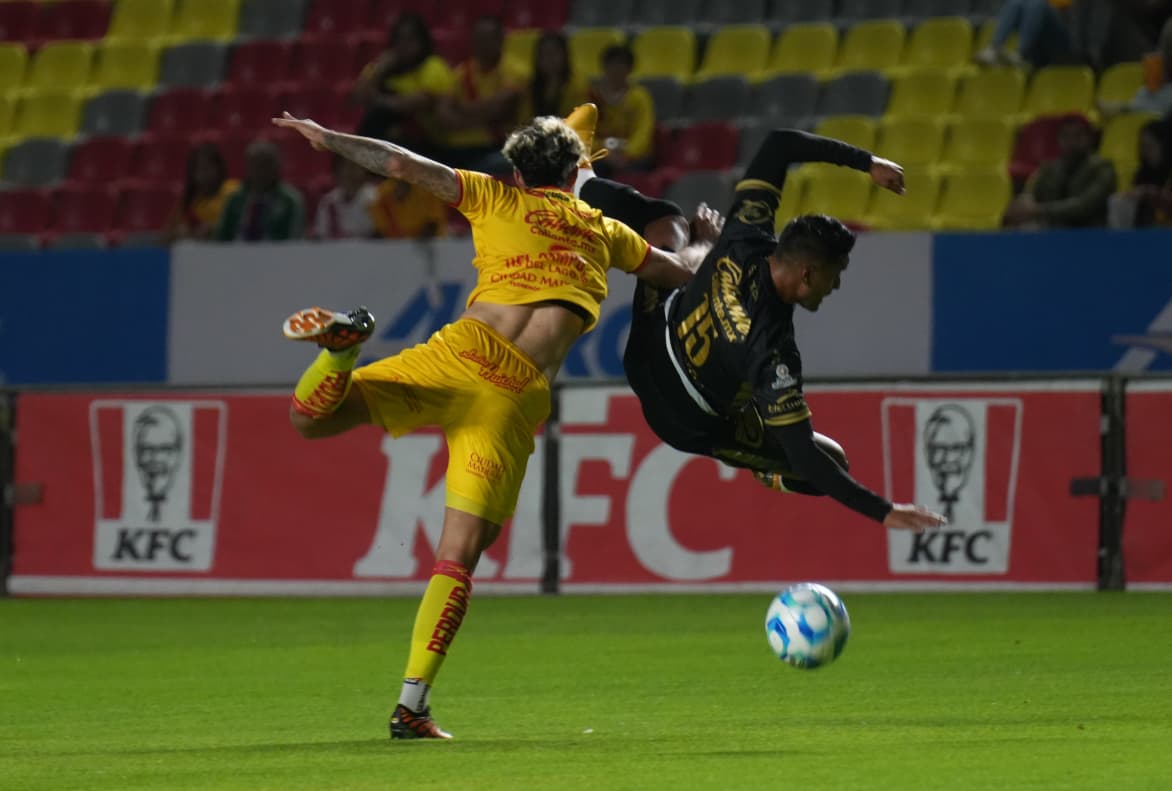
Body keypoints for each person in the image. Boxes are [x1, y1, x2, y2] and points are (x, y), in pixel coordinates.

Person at [271, 109, 719, 740]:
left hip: (458, 354)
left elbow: (399, 162)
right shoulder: (606, 231)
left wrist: (328, 139)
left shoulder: (492, 197)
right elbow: (687, 271)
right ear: (576, 172)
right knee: (458, 556)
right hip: (510, 394)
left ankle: (341, 354)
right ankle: (410, 705)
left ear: (517, 173)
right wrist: (705, 238)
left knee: (309, 420)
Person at [564, 104, 948, 532]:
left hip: (650, 339)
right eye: (834, 276)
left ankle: (578, 178)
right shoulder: (773, 350)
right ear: (807, 273)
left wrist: (867, 163)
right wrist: (884, 511)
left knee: (667, 222)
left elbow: (780, 144)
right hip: (679, 418)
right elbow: (805, 457)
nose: (835, 287)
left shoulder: (749, 228)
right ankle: (766, 470)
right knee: (831, 461)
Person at [436, 15, 526, 173]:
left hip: (496, 146)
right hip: (455, 147)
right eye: (479, 39)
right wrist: (481, 115)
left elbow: (499, 109)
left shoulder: (515, 70)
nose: (484, 44)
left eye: (489, 38)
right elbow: (444, 113)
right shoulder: (462, 71)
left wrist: (460, 108)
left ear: (501, 39)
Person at [352, 12, 453, 149]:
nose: (404, 45)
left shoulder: (433, 66)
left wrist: (379, 100)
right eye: (399, 39)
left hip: (426, 140)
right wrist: (378, 70)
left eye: (410, 39)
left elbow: (414, 103)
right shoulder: (383, 65)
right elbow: (357, 97)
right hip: (384, 134)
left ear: (423, 41)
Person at [1003, 114, 1116, 228]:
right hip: (1052, 229)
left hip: (1090, 231)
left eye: (1078, 136)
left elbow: (1085, 205)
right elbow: (1031, 193)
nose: (1072, 142)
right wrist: (1023, 204)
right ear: (1059, 139)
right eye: (1066, 136)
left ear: (1089, 139)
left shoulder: (1102, 168)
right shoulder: (1049, 169)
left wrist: (1039, 210)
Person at [214, 140, 305, 241]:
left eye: (266, 165)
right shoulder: (234, 198)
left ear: (276, 167)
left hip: (276, 249)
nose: (261, 171)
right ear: (247, 167)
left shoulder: (289, 200)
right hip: (236, 248)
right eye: (255, 165)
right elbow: (222, 236)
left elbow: (294, 237)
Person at [589, 44, 655, 177]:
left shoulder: (640, 97)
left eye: (621, 66)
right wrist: (604, 152)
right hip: (601, 155)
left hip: (634, 157)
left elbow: (643, 132)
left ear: (630, 69)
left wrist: (628, 154)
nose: (615, 70)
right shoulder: (592, 97)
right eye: (611, 65)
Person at [165, 142, 238, 242]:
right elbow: (165, 237)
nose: (204, 174)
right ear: (192, 173)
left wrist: (215, 229)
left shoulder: (234, 191)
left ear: (219, 168)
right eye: (199, 169)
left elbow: (242, 226)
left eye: (208, 168)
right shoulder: (188, 201)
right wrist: (179, 234)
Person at [1108, 119, 1172, 227]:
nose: (1145, 152)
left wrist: (1150, 193)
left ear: (1165, 146)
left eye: (1150, 146)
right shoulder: (1142, 173)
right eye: (1142, 146)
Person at [523, 31, 589, 120]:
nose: (549, 57)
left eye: (554, 52)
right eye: (544, 53)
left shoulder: (578, 88)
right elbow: (524, 120)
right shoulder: (527, 88)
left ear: (565, 55)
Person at [312, 156, 378, 240]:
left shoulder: (376, 199)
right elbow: (320, 237)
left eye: (354, 167)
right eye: (344, 167)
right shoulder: (328, 202)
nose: (349, 172)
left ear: (364, 170)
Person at [371, 177, 450, 239]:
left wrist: (412, 242)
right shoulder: (383, 192)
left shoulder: (427, 189)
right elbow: (380, 229)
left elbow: (433, 223)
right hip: (395, 245)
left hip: (433, 244)